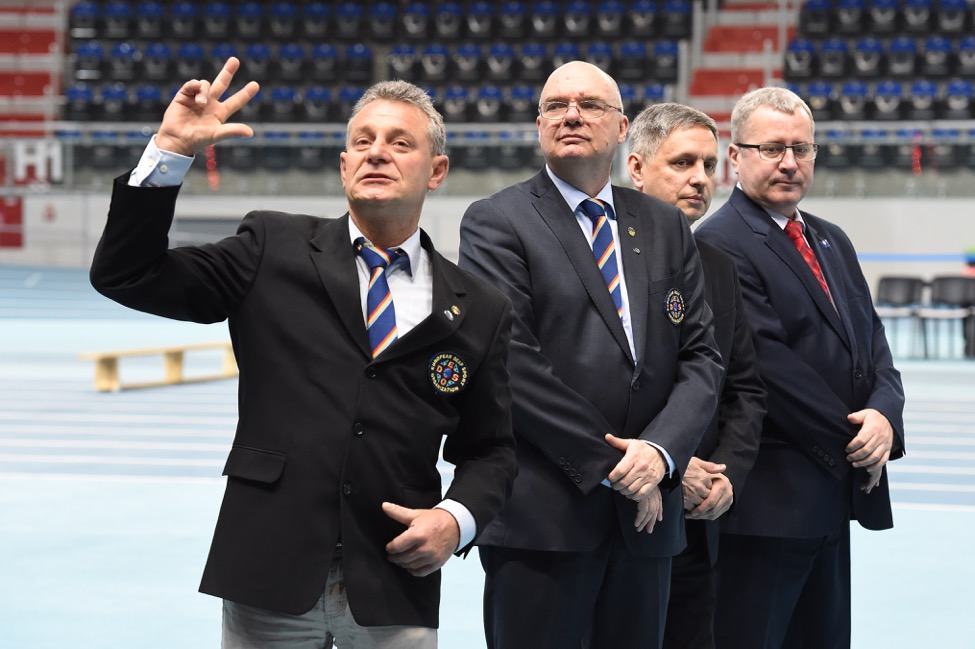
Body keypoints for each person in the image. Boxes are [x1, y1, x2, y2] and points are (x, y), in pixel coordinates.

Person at [89, 57, 518, 649]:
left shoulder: (481, 308)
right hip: (269, 566)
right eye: (362, 141)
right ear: (343, 166)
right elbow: (128, 274)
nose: (376, 153)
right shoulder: (272, 246)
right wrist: (169, 152)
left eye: (399, 143)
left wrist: (455, 519)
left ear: (436, 170)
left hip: (394, 578)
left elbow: (491, 450)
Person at [458, 61, 723, 649]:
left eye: (590, 105)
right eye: (556, 106)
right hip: (545, 523)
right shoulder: (497, 221)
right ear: (539, 125)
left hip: (647, 525)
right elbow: (512, 364)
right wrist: (616, 468)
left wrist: (660, 453)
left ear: (622, 127)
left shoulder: (664, 225)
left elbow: (702, 357)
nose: (571, 115)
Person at [694, 87, 906, 649]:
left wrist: (885, 415)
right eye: (771, 148)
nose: (789, 162)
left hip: (832, 497)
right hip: (769, 506)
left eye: (801, 148)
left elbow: (873, 343)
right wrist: (857, 441)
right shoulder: (719, 244)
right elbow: (770, 371)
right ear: (735, 156)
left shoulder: (831, 239)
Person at [626, 103, 767, 649]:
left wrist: (727, 475)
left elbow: (745, 388)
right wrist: (670, 464)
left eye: (709, 165)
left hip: (701, 522)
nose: (701, 179)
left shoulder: (718, 266)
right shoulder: (602, 260)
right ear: (637, 167)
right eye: (683, 163)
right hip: (623, 511)